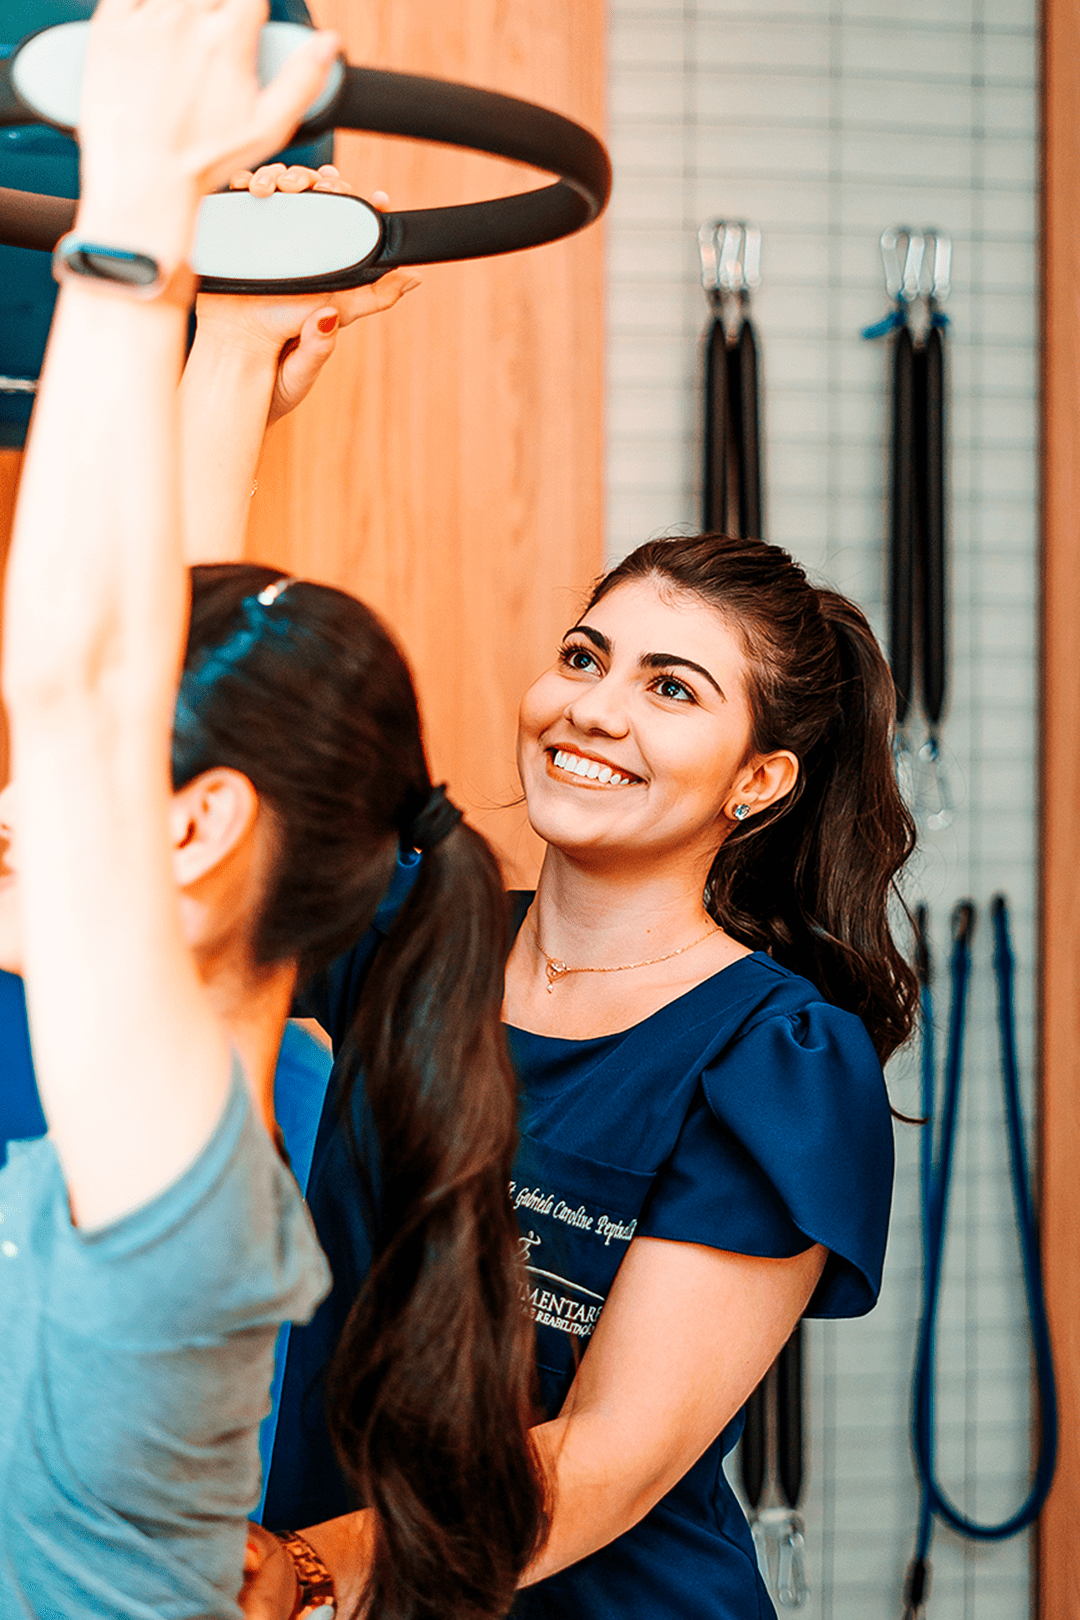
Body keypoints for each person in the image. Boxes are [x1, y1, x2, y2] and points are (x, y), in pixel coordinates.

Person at [164, 169, 915, 1618]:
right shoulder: (417, 932)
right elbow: (198, 701)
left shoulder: (776, 1058)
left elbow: (610, 1464)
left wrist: (311, 1574)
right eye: (584, 657)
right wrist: (236, 353)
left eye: (671, 688)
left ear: (759, 781)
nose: (595, 710)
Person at [0, 9, 544, 1620]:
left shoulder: (175, 1174)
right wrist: (230, 345)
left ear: (195, 832)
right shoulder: (251, 1085)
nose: (17, 815)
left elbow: (90, 689)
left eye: (55, 798)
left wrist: (138, 208)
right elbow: (153, 659)